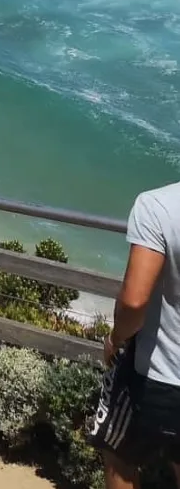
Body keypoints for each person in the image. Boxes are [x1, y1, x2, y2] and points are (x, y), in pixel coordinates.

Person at [101, 181, 180, 488]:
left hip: (159, 378)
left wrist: (115, 340)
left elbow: (134, 302)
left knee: (121, 459)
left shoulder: (158, 204)